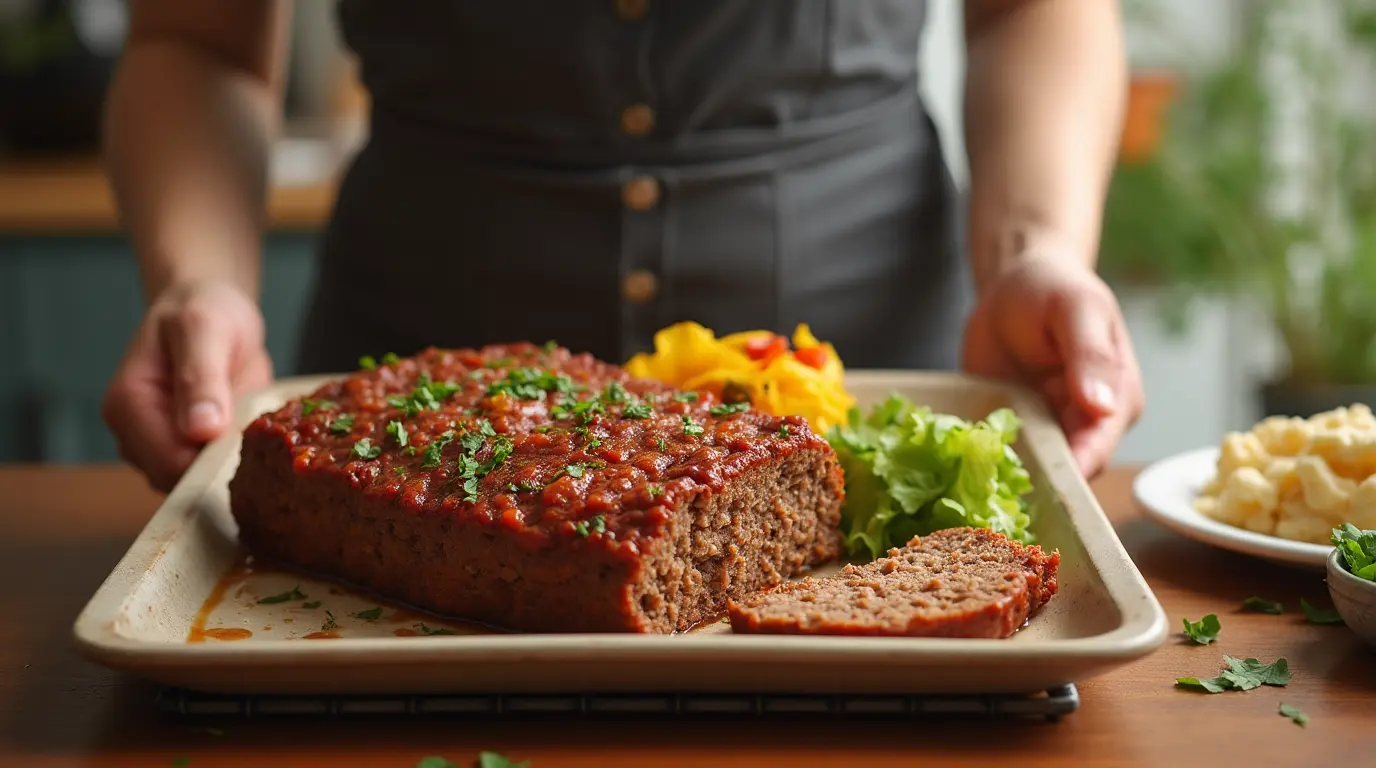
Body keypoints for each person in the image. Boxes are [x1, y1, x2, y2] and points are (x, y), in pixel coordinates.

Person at [101, 0, 1144, 494]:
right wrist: (198, 279)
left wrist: (1032, 249)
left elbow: (1033, 11)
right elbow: (197, 41)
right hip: (407, 410)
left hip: (869, 365)